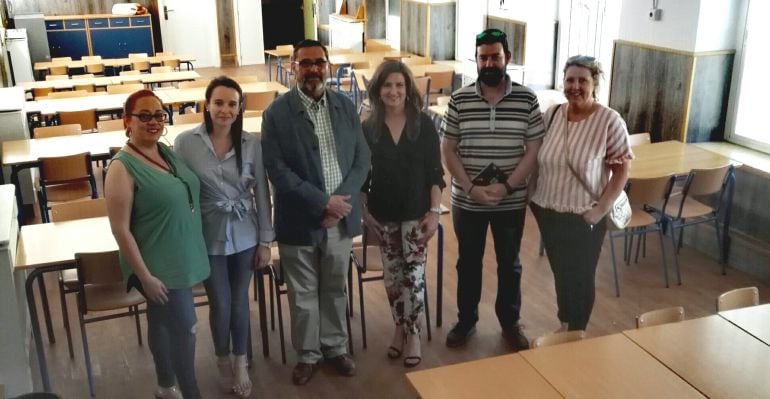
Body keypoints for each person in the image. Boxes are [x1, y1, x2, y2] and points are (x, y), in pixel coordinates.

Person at [261, 39, 370, 385]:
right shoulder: (275, 114)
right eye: (304, 63)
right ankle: (308, 354)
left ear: (329, 66)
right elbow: (277, 170)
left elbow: (361, 160)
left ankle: (336, 347)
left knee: (335, 287)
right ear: (293, 67)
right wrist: (323, 202)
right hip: (298, 219)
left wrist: (339, 202)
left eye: (318, 62)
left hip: (341, 218)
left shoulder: (345, 106)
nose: (312, 69)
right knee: (303, 292)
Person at [440, 28, 544, 351]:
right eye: (482, 57)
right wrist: (470, 188)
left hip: (510, 200)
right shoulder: (459, 100)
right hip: (467, 200)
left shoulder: (528, 99)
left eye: (495, 56)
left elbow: (534, 148)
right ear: (476, 59)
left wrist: (509, 185)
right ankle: (466, 320)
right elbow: (448, 149)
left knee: (509, 262)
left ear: (507, 58)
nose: (488, 62)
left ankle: (510, 322)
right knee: (468, 262)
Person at [174, 76, 274, 398]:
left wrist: (265, 241)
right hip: (207, 233)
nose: (225, 110)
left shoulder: (251, 144)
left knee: (239, 300)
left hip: (245, 231)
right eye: (219, 102)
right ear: (207, 105)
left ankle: (241, 360)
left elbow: (262, 193)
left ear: (240, 107)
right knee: (219, 301)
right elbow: (179, 192)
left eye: (232, 103)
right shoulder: (185, 142)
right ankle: (221, 356)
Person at [105, 90, 209, 399]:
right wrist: (145, 277)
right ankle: (191, 393)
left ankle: (165, 386)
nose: (153, 121)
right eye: (144, 115)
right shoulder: (121, 168)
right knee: (186, 328)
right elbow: (120, 230)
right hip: (157, 265)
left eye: (159, 115)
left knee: (161, 322)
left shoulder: (165, 151)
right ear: (127, 121)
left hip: (182, 255)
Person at [530, 55, 632, 332]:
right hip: (548, 209)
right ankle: (565, 324)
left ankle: (577, 331)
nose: (575, 86)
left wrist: (598, 212)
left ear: (594, 83)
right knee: (560, 272)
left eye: (582, 80)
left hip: (585, 214)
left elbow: (622, 172)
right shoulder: (551, 115)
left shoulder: (609, 121)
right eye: (570, 80)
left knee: (581, 276)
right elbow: (535, 156)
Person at [360, 61, 445, 368]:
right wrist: (363, 209)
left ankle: (413, 335)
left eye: (399, 85)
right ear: (377, 90)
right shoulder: (368, 128)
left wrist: (435, 212)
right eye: (387, 85)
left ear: (408, 88)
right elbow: (362, 176)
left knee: (414, 277)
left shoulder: (423, 126)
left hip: (416, 215)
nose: (393, 91)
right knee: (393, 279)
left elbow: (436, 174)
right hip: (382, 215)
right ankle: (398, 328)